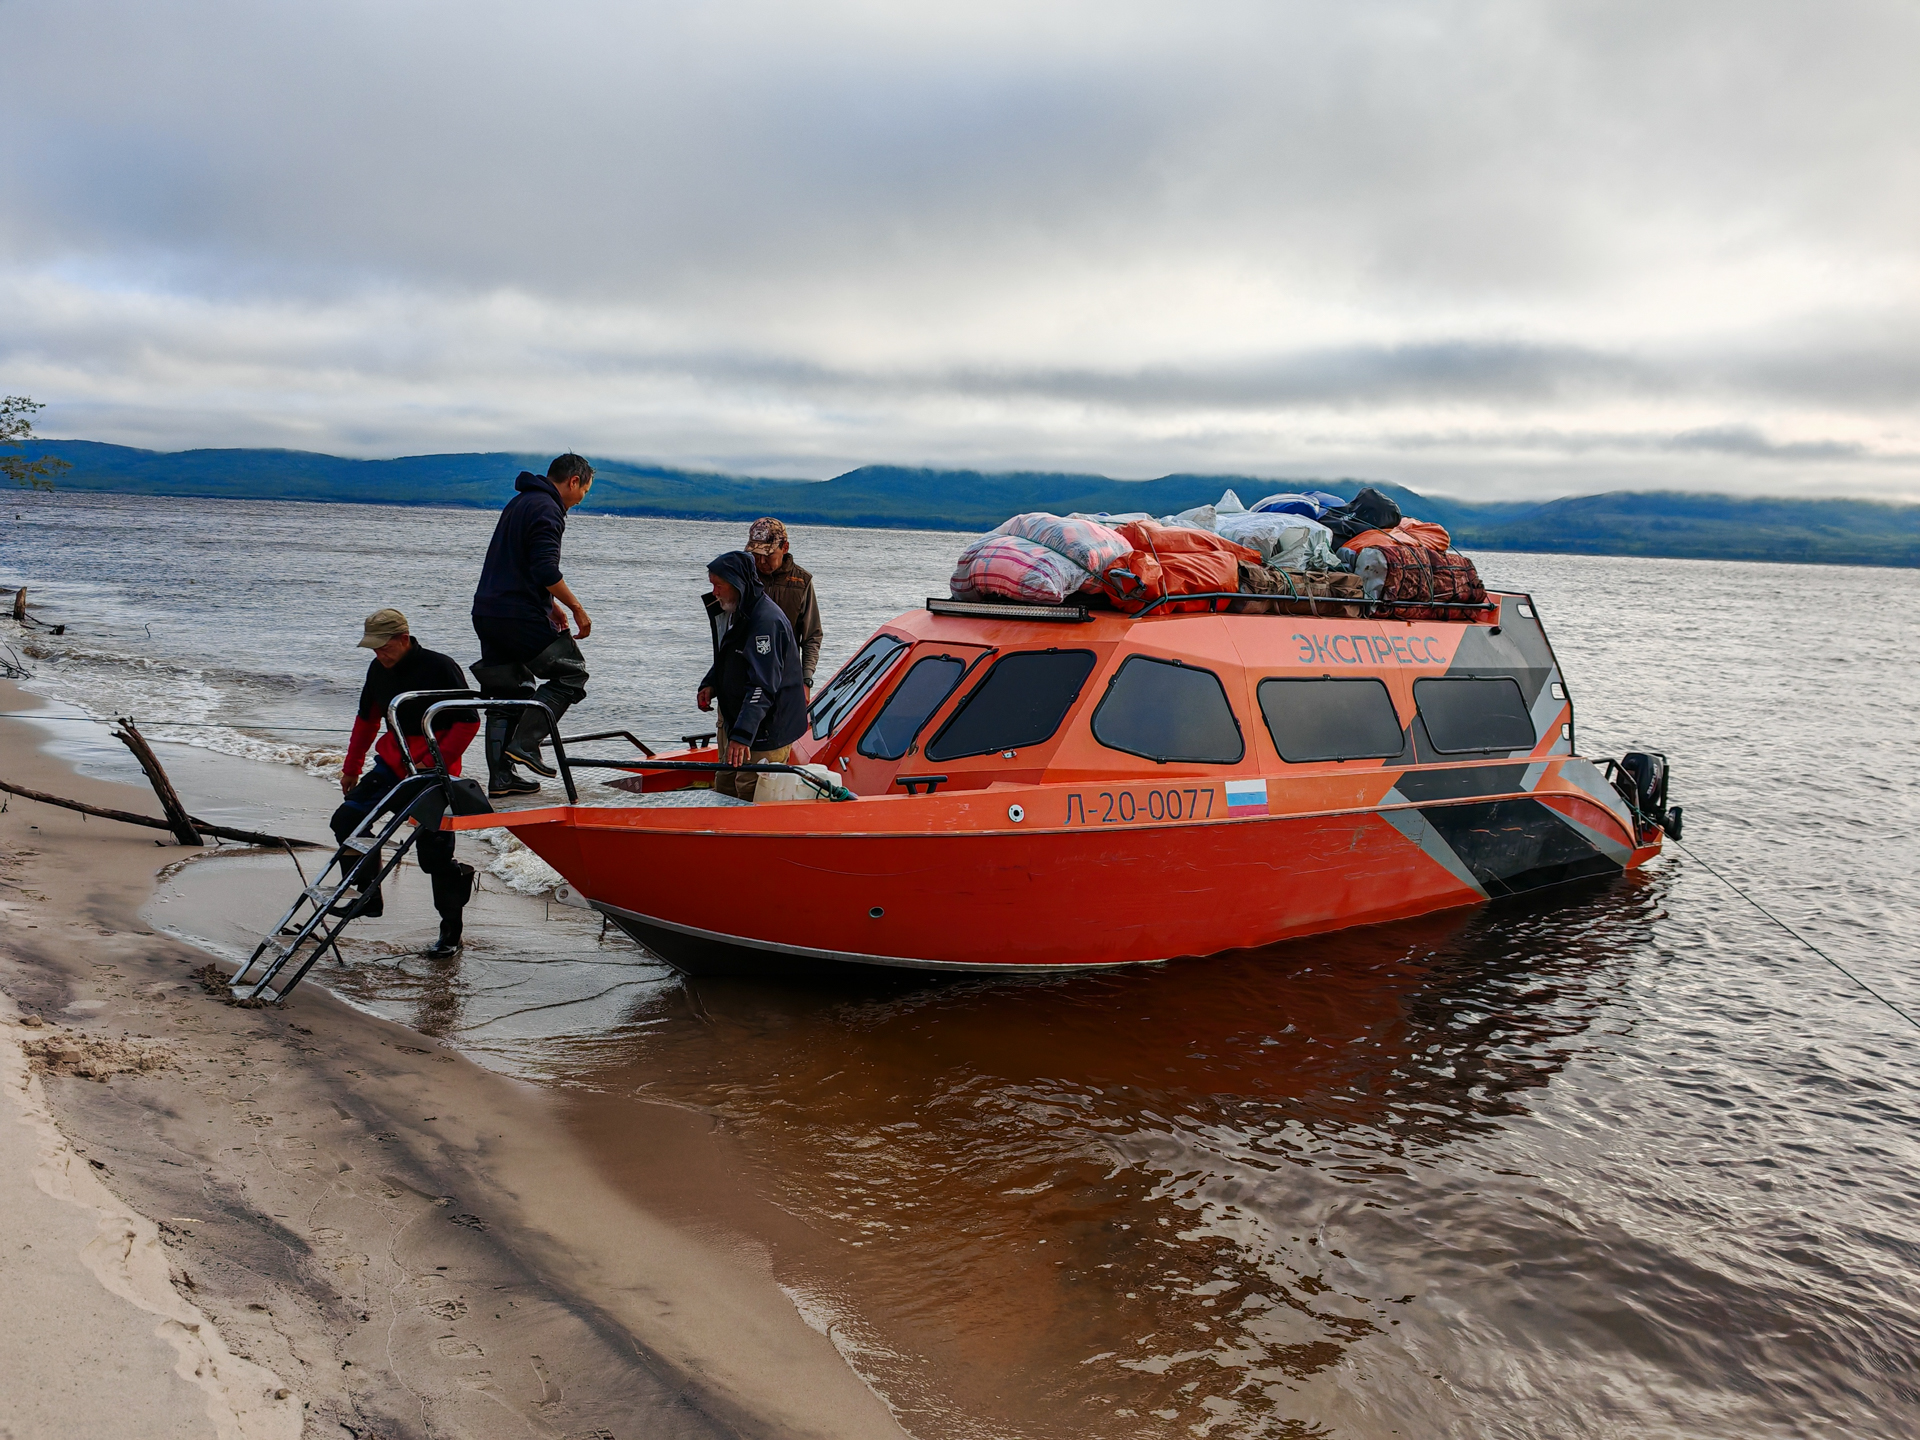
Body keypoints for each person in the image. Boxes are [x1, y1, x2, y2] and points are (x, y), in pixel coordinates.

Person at [334, 609, 479, 959]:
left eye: (384, 647)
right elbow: (367, 720)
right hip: (390, 765)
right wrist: (351, 767)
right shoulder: (377, 670)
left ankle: (451, 931)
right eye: (373, 648)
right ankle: (367, 895)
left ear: (403, 639)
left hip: (433, 774)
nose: (379, 655)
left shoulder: (441, 667)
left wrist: (432, 761)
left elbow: (468, 722)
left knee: (435, 856)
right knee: (346, 820)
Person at [470, 453, 595, 796]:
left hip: (487, 611)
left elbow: (519, 564)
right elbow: (545, 569)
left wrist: (550, 605)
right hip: (517, 614)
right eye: (584, 491)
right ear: (573, 481)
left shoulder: (520, 502)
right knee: (571, 674)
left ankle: (501, 778)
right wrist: (576, 608)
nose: (581, 498)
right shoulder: (547, 508)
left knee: (506, 692)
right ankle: (526, 744)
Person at [696, 551, 807, 801]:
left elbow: (763, 685)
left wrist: (742, 736)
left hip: (768, 726)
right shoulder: (737, 610)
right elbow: (731, 656)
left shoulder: (766, 622)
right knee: (725, 783)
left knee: (749, 788)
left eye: (719, 586)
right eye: (712, 585)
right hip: (739, 718)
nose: (714, 592)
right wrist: (711, 683)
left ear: (737, 584)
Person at [744, 517, 824, 695]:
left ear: (785, 547)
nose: (761, 562)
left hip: (784, 680)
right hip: (743, 679)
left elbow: (812, 635)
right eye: (756, 555)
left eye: (767, 554)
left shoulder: (802, 581)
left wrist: (806, 679)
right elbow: (725, 634)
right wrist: (712, 682)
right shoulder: (743, 578)